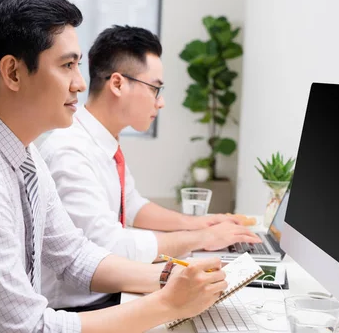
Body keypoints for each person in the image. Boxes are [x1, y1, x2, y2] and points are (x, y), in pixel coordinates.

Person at [0, 0, 228, 333]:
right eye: (67, 66)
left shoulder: (21, 153)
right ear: (13, 72)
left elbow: (72, 254)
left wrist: (169, 277)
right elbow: (29, 328)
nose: (80, 84)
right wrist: (168, 303)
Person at [38, 25, 261, 310]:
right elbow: (109, 247)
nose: (161, 102)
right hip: (79, 306)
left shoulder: (102, 139)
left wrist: (199, 223)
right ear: (117, 84)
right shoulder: (69, 152)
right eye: (155, 89)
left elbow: (132, 204)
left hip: (110, 293)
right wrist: (200, 238)